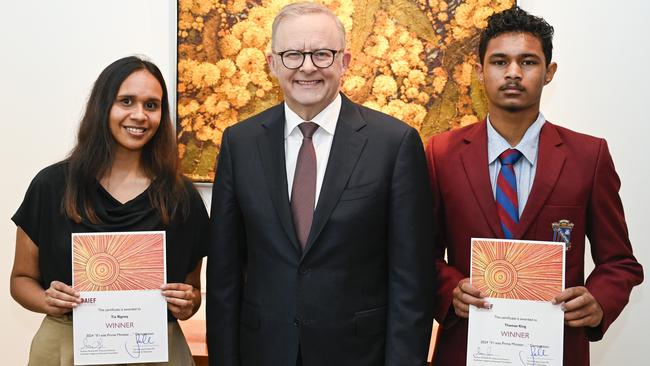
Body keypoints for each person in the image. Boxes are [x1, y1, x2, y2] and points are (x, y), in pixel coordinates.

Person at [206, 2, 436, 366]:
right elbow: (223, 275)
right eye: (293, 54)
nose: (307, 66)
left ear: (344, 62)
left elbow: (412, 281)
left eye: (322, 54)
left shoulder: (394, 144)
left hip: (359, 354)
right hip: (263, 352)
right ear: (272, 64)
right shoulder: (239, 142)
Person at [426, 6, 643, 366]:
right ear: (480, 72)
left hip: (557, 349)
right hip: (465, 349)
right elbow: (421, 256)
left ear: (549, 72)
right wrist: (450, 291)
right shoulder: (441, 153)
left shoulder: (589, 156)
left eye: (527, 62)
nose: (513, 73)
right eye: (499, 62)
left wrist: (598, 300)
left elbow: (620, 262)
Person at [10, 56, 209, 366]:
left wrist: (188, 302)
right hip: (67, 349)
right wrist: (47, 300)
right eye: (126, 101)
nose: (140, 115)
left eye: (152, 105)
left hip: (156, 351)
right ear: (103, 107)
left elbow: (193, 290)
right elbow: (21, 279)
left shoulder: (182, 196)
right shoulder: (51, 186)